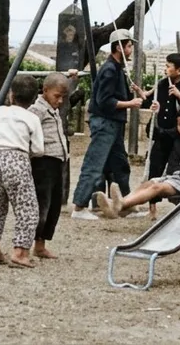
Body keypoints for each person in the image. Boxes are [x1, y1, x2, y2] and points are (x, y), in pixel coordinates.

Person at [96, 105, 180, 217]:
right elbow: (155, 133)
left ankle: (121, 204)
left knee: (156, 188)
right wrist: (155, 114)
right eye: (179, 124)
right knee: (147, 184)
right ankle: (124, 206)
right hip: (169, 178)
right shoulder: (175, 135)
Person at [71, 29, 141, 220]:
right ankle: (79, 207)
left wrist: (140, 94)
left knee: (120, 165)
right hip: (105, 123)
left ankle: (126, 204)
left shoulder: (117, 68)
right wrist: (131, 104)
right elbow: (105, 101)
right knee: (94, 164)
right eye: (128, 46)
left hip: (114, 124)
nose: (131, 49)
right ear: (118, 47)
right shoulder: (110, 69)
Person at [0, 75, 43, 268]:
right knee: (27, 208)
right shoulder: (32, 118)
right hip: (17, 160)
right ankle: (20, 251)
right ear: (34, 98)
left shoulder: (0, 111)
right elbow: (39, 149)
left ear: (11, 94)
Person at [139, 52, 180, 219]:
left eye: (168, 66)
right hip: (161, 132)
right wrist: (141, 93)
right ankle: (152, 207)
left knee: (176, 169)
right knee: (155, 166)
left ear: (179, 71)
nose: (165, 69)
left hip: (176, 134)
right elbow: (148, 97)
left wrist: (178, 95)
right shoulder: (162, 84)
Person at [29, 73, 69, 258]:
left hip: (57, 162)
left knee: (54, 204)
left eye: (63, 97)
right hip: (43, 162)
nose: (60, 100)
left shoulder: (53, 109)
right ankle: (30, 241)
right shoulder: (36, 110)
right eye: (57, 96)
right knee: (42, 204)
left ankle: (41, 244)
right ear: (45, 91)